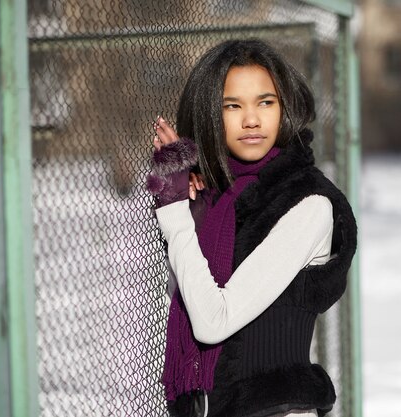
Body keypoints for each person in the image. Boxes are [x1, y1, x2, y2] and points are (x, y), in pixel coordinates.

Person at [146, 39, 357, 417]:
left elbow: (213, 321)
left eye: (265, 102)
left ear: (284, 107)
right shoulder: (219, 200)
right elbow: (188, 289)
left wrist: (176, 210)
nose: (252, 120)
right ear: (211, 113)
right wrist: (192, 207)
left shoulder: (308, 204)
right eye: (232, 106)